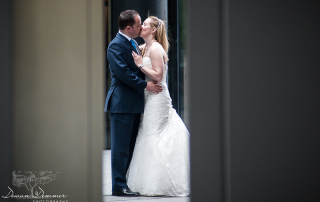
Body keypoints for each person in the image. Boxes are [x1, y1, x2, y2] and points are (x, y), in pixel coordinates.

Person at [127, 16, 190, 196]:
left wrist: (140, 65)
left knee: (154, 134)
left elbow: (158, 76)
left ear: (153, 30)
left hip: (157, 97)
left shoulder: (155, 48)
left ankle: (163, 180)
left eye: (145, 24)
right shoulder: (145, 47)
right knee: (146, 134)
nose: (142, 26)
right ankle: (149, 179)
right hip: (148, 96)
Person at [105, 10, 163, 197]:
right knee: (120, 149)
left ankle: (126, 182)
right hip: (122, 103)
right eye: (139, 25)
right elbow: (123, 73)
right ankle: (118, 186)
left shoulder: (133, 43)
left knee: (130, 147)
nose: (141, 27)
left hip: (134, 103)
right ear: (129, 28)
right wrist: (145, 85)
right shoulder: (115, 46)